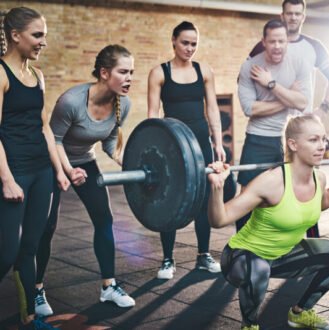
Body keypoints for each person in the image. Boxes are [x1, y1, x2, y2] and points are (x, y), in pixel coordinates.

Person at [207, 115, 329, 330]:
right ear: (293, 144)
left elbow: (323, 201)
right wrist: (217, 187)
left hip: (282, 256)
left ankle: (300, 313)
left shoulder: (319, 177)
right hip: (242, 258)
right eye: (314, 140)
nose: (322, 146)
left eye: (323, 139)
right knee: (259, 269)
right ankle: (249, 325)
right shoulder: (271, 181)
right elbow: (219, 219)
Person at [33, 44, 136, 317]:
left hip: (85, 164)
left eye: (132, 73)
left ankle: (108, 286)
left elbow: (110, 144)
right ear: (104, 73)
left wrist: (133, 164)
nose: (129, 78)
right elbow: (53, 140)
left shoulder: (123, 104)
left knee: (104, 219)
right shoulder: (72, 101)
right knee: (47, 226)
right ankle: (36, 289)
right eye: (123, 72)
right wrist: (66, 171)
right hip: (51, 162)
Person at [244, 0, 329, 237]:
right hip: (266, 131)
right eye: (289, 13)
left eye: (298, 13)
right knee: (259, 192)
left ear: (304, 16)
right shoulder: (261, 47)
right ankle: (259, 246)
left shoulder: (314, 47)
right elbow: (248, 82)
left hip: (300, 131)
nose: (293, 18)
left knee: (305, 189)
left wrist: (323, 109)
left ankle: (311, 246)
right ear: (282, 14)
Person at [0, 6, 70, 329]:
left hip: (42, 170)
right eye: (37, 35)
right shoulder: (1, 74)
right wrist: (7, 180)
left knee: (30, 246)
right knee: (6, 252)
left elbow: (44, 128)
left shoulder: (38, 76)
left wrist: (57, 170)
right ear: (15, 36)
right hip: (14, 170)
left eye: (45, 35)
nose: (43, 42)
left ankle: (29, 320)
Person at [147, 21, 226, 280]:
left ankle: (203, 255)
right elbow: (152, 116)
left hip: (200, 141)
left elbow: (212, 109)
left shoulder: (204, 71)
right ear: (173, 41)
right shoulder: (159, 73)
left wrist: (218, 143)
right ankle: (168, 259)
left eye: (194, 43)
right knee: (170, 198)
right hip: (172, 145)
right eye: (185, 42)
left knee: (203, 199)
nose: (189, 48)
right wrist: (154, 148)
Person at [235, 18, 309, 231]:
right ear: (264, 42)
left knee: (283, 199)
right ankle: (240, 252)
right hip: (257, 139)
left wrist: (271, 85)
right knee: (247, 199)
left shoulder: (298, 63)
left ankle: (277, 251)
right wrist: (287, 98)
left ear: (287, 42)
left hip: (287, 140)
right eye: (273, 41)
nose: (277, 46)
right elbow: (250, 109)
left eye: (281, 41)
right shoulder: (250, 67)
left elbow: (302, 103)